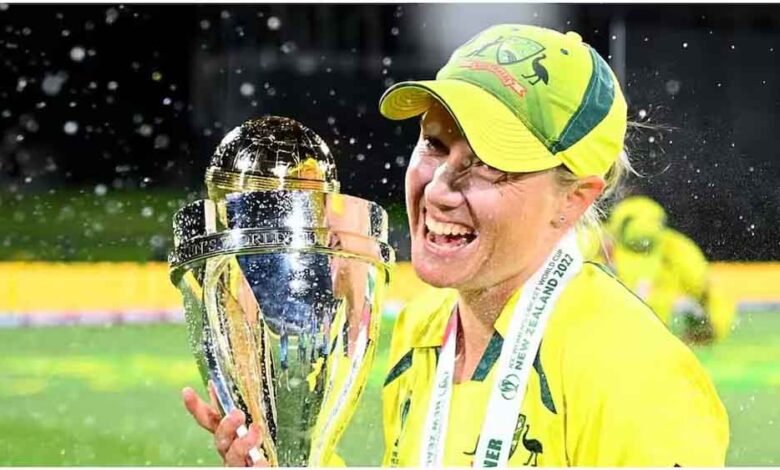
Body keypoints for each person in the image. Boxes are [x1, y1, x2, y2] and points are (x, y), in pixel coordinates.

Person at [182, 24, 729, 466]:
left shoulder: (636, 374)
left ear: (573, 199)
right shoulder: (424, 328)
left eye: (489, 164)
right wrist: (292, 458)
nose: (439, 189)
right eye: (434, 144)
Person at [588, 195, 737, 344]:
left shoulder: (675, 250)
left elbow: (706, 289)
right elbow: (706, 289)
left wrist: (713, 327)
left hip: (635, 331)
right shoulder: (597, 243)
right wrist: (715, 328)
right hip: (654, 331)